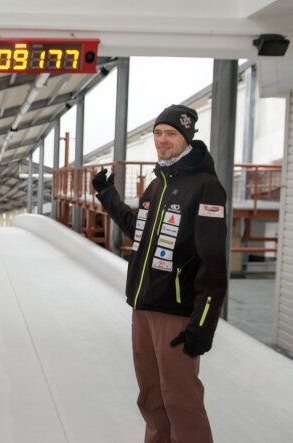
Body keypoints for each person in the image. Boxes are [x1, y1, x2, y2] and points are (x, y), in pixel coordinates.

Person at [92, 104, 227, 443]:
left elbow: (214, 263)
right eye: (157, 133)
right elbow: (139, 229)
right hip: (144, 307)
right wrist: (108, 197)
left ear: (186, 138)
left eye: (170, 134)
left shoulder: (205, 187)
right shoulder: (157, 185)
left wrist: (203, 325)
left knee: (181, 400)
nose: (162, 140)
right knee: (151, 397)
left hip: (176, 314)